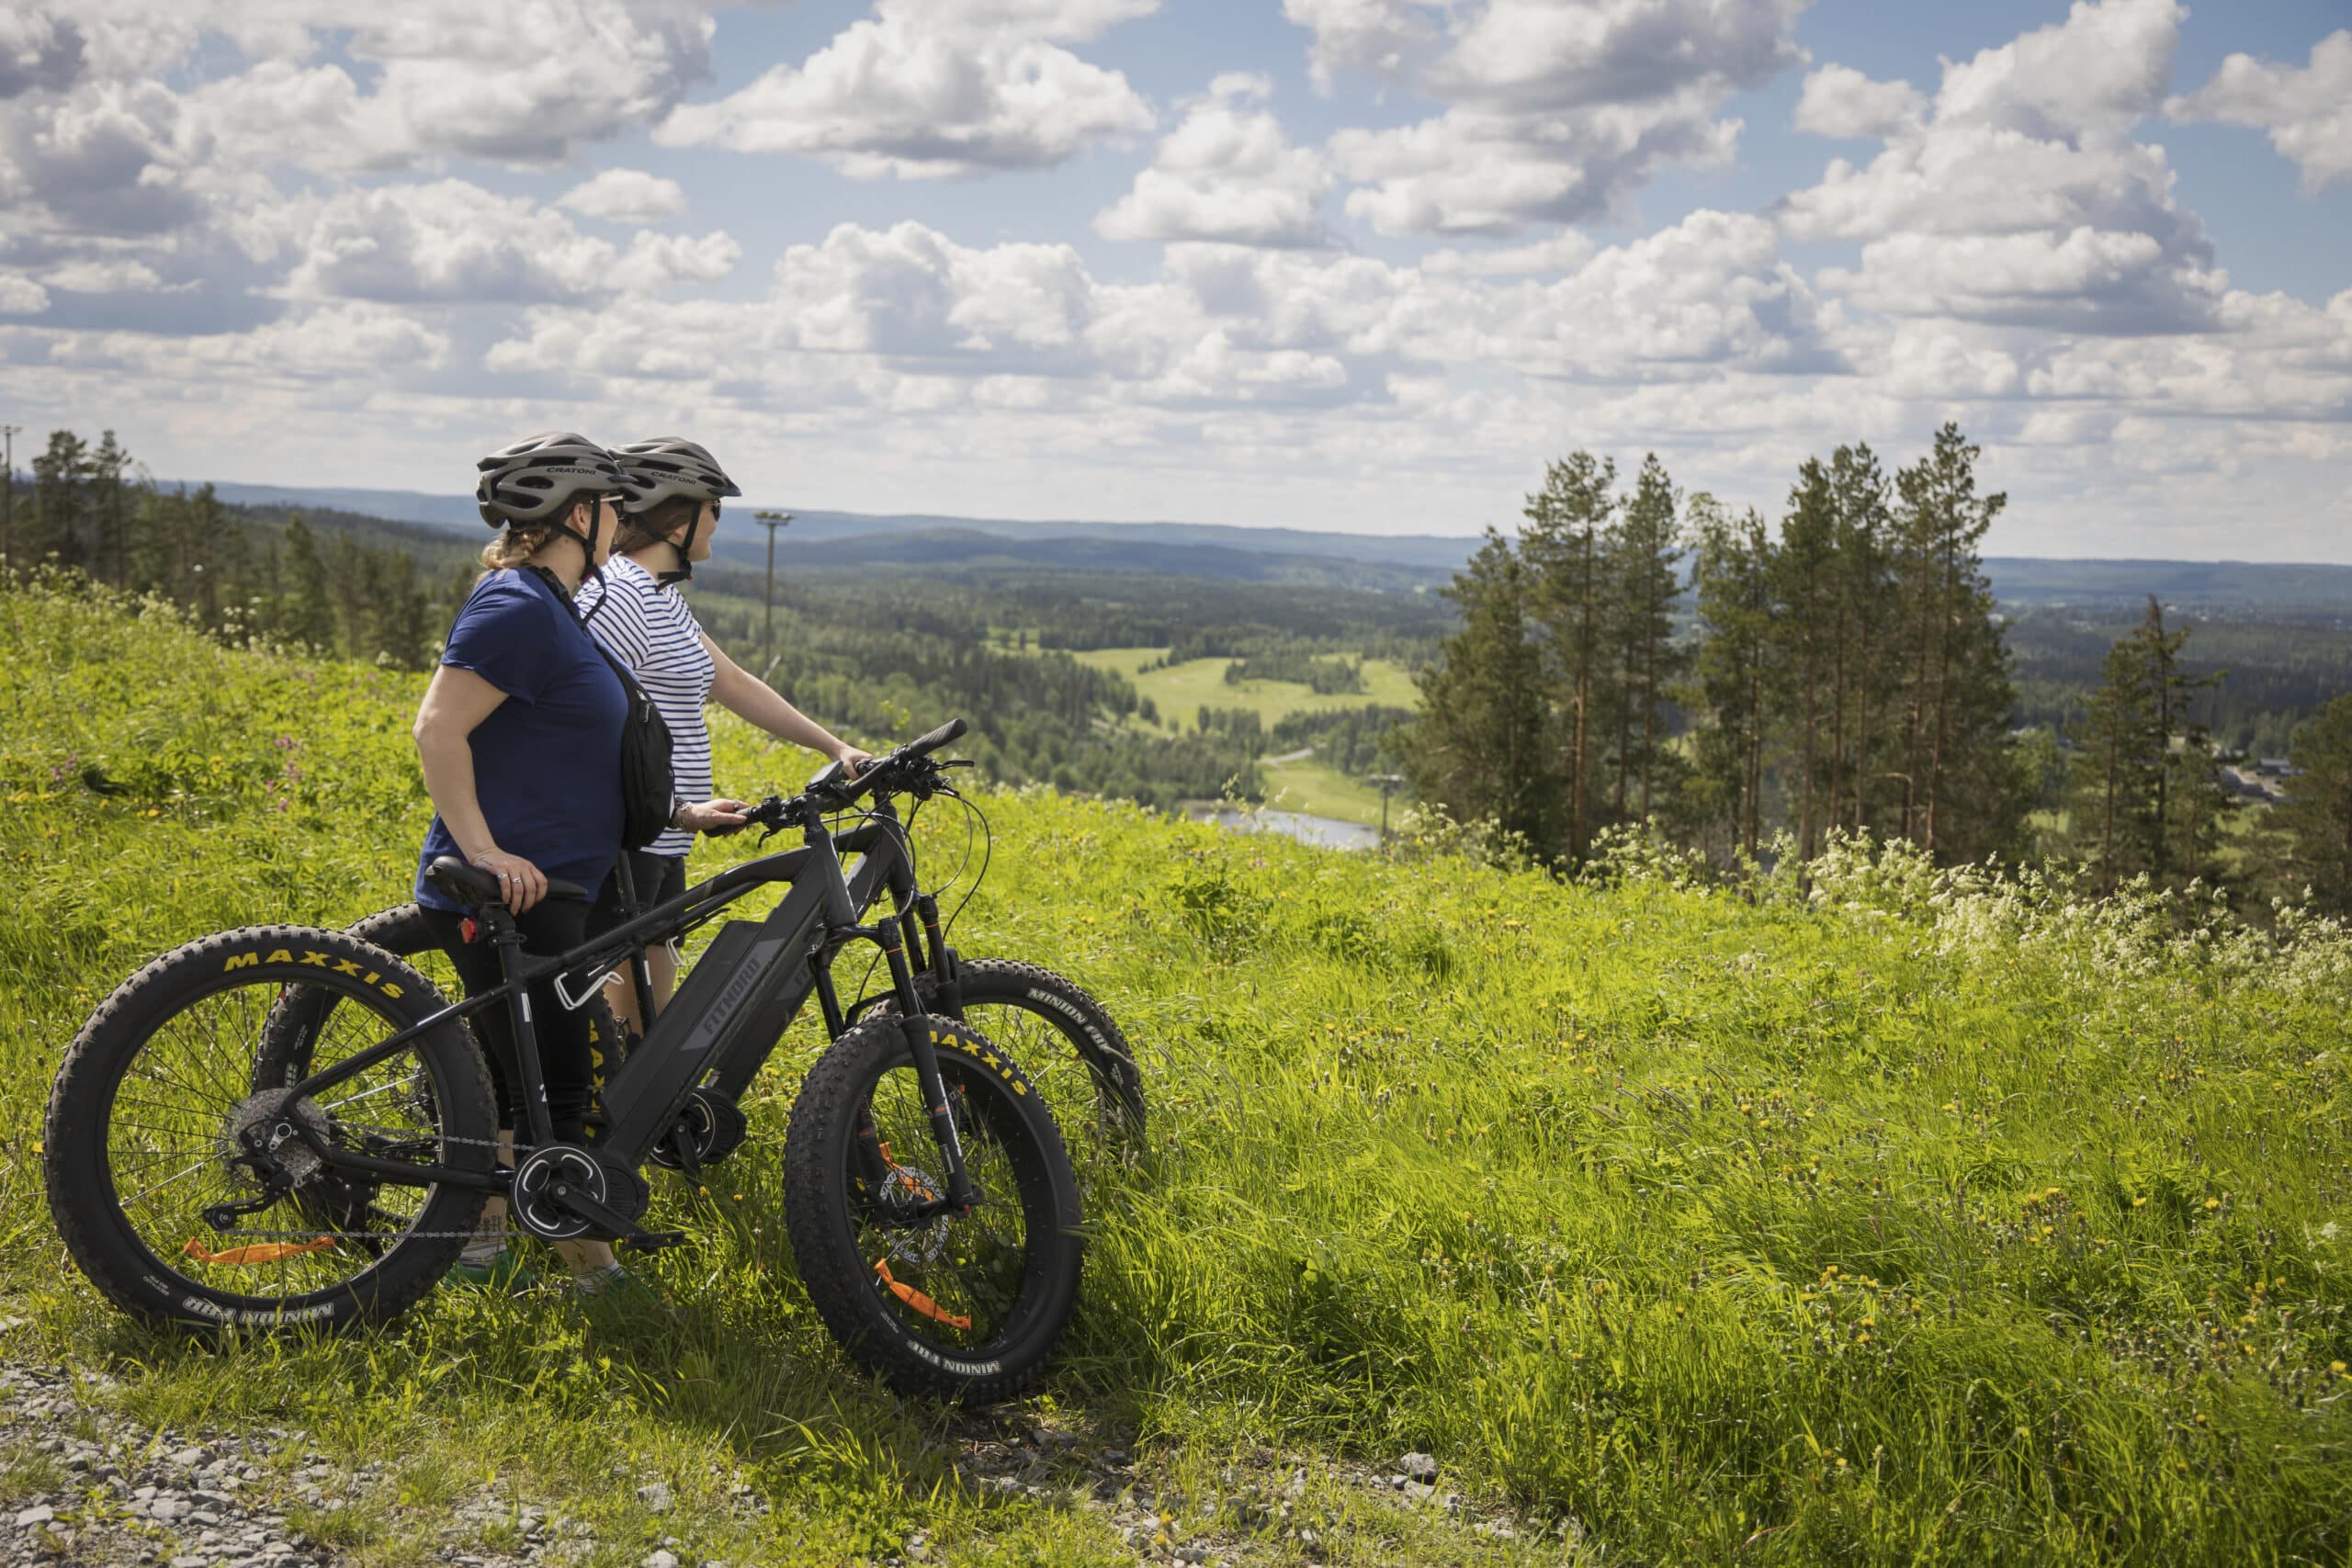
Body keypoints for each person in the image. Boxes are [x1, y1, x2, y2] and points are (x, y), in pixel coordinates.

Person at [410, 431, 744, 1301]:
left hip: (555, 885)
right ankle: (592, 1279)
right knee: (546, 1092)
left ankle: (485, 1251)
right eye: (612, 508)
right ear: (581, 515)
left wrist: (676, 811)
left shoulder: (554, 606)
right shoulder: (516, 604)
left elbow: (570, 747)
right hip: (510, 888)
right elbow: (436, 727)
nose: (624, 523)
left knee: (537, 1090)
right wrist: (481, 849)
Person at [574, 436, 871, 1035]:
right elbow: (588, 722)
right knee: (612, 1036)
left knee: (642, 1039)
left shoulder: (660, 596)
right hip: (625, 845)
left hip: (661, 839)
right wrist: (677, 809)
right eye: (715, 507)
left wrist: (834, 747)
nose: (718, 521)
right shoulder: (620, 595)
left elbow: (732, 682)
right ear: (677, 513)